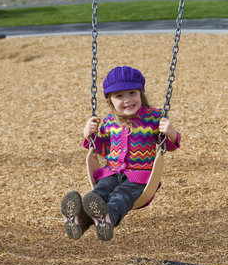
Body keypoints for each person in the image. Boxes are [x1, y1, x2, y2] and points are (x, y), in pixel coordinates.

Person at [61, 66, 180, 241]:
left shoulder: (154, 117)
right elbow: (104, 150)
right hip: (112, 172)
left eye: (132, 92)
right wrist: (89, 137)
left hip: (139, 177)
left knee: (121, 196)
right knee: (99, 193)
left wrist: (171, 133)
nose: (127, 100)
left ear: (141, 93)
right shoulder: (109, 121)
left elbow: (168, 146)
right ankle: (79, 221)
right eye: (119, 96)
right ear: (110, 100)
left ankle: (108, 219)